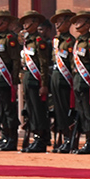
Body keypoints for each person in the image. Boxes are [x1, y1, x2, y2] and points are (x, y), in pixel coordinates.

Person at [18, 10, 51, 153]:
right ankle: (35, 137)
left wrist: (44, 84)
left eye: (27, 21)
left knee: (38, 111)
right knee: (31, 110)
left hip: (36, 80)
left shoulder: (39, 41)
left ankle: (41, 139)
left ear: (35, 23)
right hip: (28, 79)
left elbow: (43, 64)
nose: (24, 24)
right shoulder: (28, 41)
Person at [0, 10, 21, 151]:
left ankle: (12, 139)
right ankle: (5, 137)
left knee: (9, 110)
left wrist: (14, 79)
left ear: (6, 22)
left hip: (6, 76)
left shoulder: (10, 38)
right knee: (0, 109)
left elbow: (15, 60)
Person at [70, 11, 90, 154]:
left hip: (87, 82)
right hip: (78, 81)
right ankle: (85, 142)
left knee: (89, 114)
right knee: (82, 113)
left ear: (88, 24)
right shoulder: (78, 41)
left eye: (80, 21)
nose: (76, 24)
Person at [49, 9, 76, 153]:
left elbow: (73, 63)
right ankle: (61, 137)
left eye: (60, 21)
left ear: (68, 23)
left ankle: (69, 138)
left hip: (66, 80)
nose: (57, 25)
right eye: (56, 22)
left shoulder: (71, 41)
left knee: (66, 110)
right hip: (55, 77)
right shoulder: (56, 41)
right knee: (58, 110)